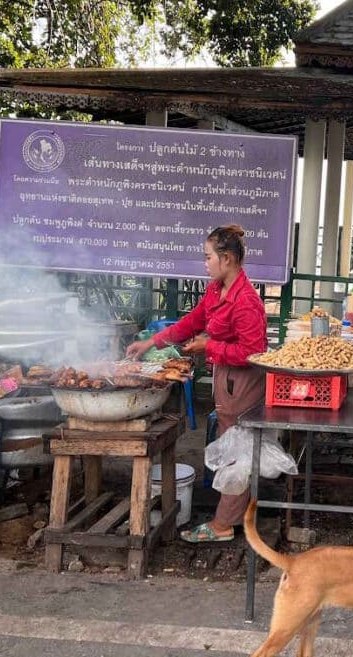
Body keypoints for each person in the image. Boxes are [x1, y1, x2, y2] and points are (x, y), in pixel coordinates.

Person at [126, 224, 268, 543]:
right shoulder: (216, 290)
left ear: (227, 259)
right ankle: (231, 516)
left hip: (243, 384)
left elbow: (253, 352)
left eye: (208, 258)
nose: (205, 263)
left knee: (237, 452)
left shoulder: (246, 301)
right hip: (227, 379)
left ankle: (223, 525)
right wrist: (153, 343)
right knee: (231, 445)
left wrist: (209, 347)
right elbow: (194, 321)